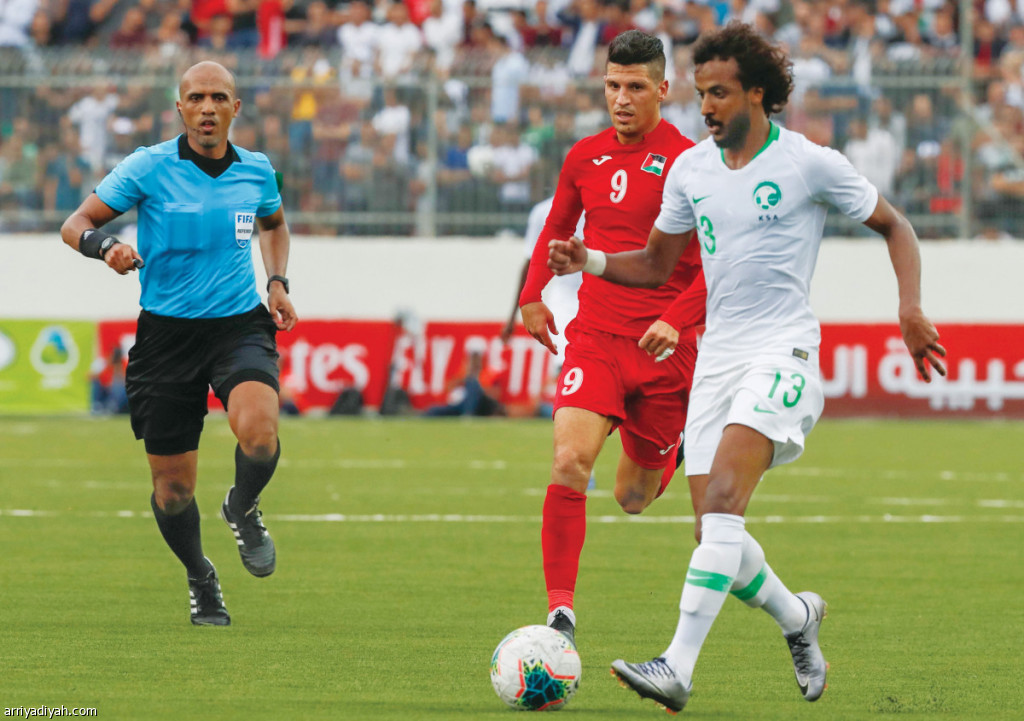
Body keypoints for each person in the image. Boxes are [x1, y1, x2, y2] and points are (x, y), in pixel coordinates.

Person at [548, 22, 947, 713]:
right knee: (714, 532)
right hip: (716, 362)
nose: (706, 107)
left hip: (781, 351)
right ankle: (798, 616)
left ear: (757, 94)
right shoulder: (692, 171)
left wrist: (909, 308)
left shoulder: (807, 163)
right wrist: (595, 260)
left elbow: (896, 225)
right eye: (701, 93)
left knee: (726, 500)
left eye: (720, 94)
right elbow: (658, 265)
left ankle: (676, 666)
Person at [60, 60, 298, 627]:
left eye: (218, 97)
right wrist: (107, 248)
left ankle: (241, 506)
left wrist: (277, 282)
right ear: (180, 108)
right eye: (196, 98)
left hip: (238, 326)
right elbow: (75, 224)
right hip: (165, 336)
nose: (207, 108)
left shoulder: (258, 170)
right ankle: (200, 574)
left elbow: (273, 225)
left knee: (260, 434)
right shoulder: (148, 166)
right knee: (172, 491)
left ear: (236, 108)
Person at [518, 29, 705, 648]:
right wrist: (533, 293)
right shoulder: (584, 156)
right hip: (596, 336)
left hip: (666, 347)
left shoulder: (691, 164)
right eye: (612, 86)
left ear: (663, 89)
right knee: (569, 461)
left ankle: (671, 451)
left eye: (635, 87)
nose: (621, 99)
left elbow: (718, 265)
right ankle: (560, 613)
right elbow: (558, 225)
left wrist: (676, 318)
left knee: (631, 497)